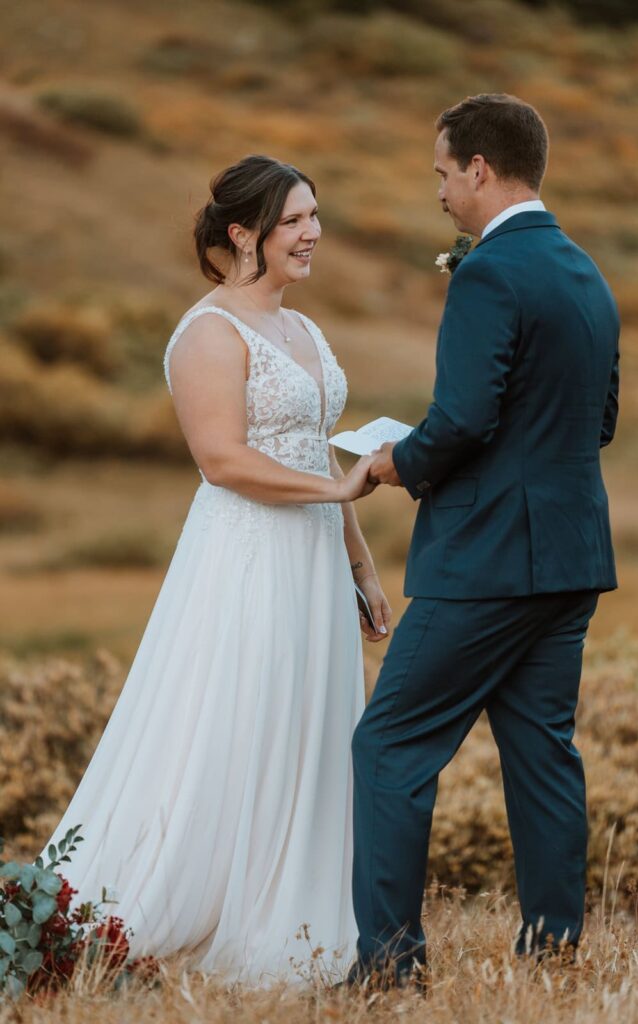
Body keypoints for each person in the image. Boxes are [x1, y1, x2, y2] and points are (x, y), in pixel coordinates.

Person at [39, 155, 390, 985]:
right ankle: (173, 908)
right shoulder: (206, 332)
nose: (313, 235)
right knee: (237, 717)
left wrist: (361, 563)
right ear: (244, 233)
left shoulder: (303, 330)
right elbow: (223, 461)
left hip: (313, 558)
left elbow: (315, 450)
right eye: (295, 221)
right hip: (247, 557)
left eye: (315, 217)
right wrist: (337, 484)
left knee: (307, 720)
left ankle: (291, 899)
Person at [349, 93, 620, 986]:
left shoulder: (488, 273)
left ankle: (390, 967)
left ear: (478, 169)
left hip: (487, 561)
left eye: (440, 172)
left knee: (388, 745)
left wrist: (399, 461)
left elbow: (462, 418)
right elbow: (600, 419)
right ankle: (553, 953)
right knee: (543, 753)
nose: (436, 190)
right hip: (570, 556)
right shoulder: (584, 270)